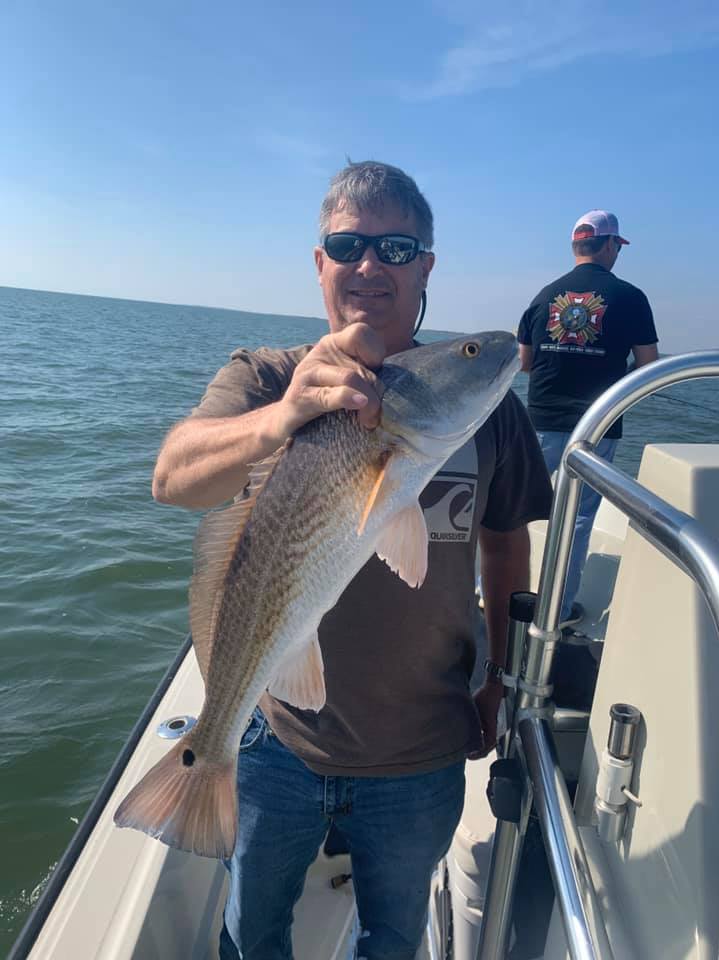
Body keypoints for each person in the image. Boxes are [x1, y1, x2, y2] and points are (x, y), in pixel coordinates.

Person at [152, 160, 553, 960]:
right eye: (349, 244)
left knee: (393, 938)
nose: (371, 264)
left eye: (397, 246)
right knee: (250, 934)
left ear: (426, 266)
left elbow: (508, 542)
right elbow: (174, 478)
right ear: (320, 261)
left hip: (423, 749)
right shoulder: (266, 375)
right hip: (277, 737)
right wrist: (282, 419)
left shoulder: (485, 409)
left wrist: (499, 681)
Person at [517, 210, 659, 628]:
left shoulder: (544, 295)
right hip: (598, 424)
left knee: (516, 509)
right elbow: (648, 364)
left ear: (577, 246)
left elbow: (524, 362)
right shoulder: (631, 297)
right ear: (611, 245)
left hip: (541, 417)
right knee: (578, 518)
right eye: (618, 246)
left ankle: (492, 592)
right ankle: (557, 610)